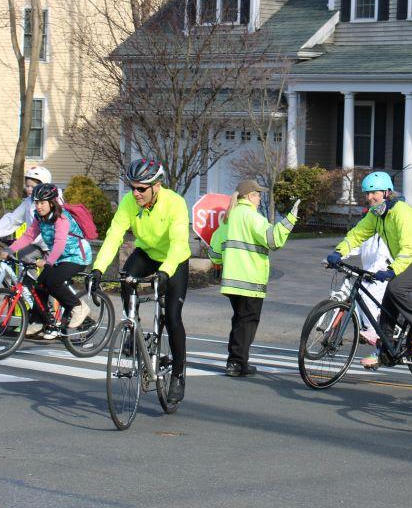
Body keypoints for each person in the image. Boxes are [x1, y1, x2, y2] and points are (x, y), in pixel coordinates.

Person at [90, 159, 191, 402]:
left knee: (173, 318)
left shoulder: (175, 203)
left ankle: (178, 375)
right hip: (146, 253)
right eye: (132, 187)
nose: (135, 193)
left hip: (174, 259)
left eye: (141, 189)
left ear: (156, 186)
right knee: (127, 279)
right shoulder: (129, 203)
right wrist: (98, 269)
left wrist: (165, 272)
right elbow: (114, 236)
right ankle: (132, 327)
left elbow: (179, 243)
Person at [326, 171, 412, 369]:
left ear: (387, 192)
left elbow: (408, 249)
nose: (370, 197)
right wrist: (338, 252)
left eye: (374, 193)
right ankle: (385, 352)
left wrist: (391, 270)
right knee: (388, 299)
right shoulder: (376, 215)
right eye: (367, 193)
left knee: (397, 287)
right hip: (408, 260)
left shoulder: (402, 212)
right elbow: (357, 235)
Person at [209, 180, 299, 377]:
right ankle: (237, 363)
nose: (259, 198)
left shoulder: (229, 218)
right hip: (250, 280)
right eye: (258, 195)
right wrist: (291, 218)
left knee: (240, 320)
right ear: (250, 196)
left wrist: (225, 261)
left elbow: (214, 252)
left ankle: (237, 361)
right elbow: (273, 239)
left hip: (232, 281)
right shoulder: (252, 217)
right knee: (247, 321)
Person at [8, 183, 93, 340]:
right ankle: (40, 321)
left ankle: (79, 307)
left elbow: (60, 243)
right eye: (36, 203)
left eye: (42, 203)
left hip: (77, 256)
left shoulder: (61, 218)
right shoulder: (40, 218)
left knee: (53, 282)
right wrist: (10, 250)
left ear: (52, 203)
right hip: (59, 257)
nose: (38, 206)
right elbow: (28, 236)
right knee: (39, 285)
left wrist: (47, 262)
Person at [0, 165, 52, 240]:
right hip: (33, 242)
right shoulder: (29, 202)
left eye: (33, 187)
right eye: (27, 186)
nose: (29, 189)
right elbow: (13, 219)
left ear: (44, 186)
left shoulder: (53, 203)